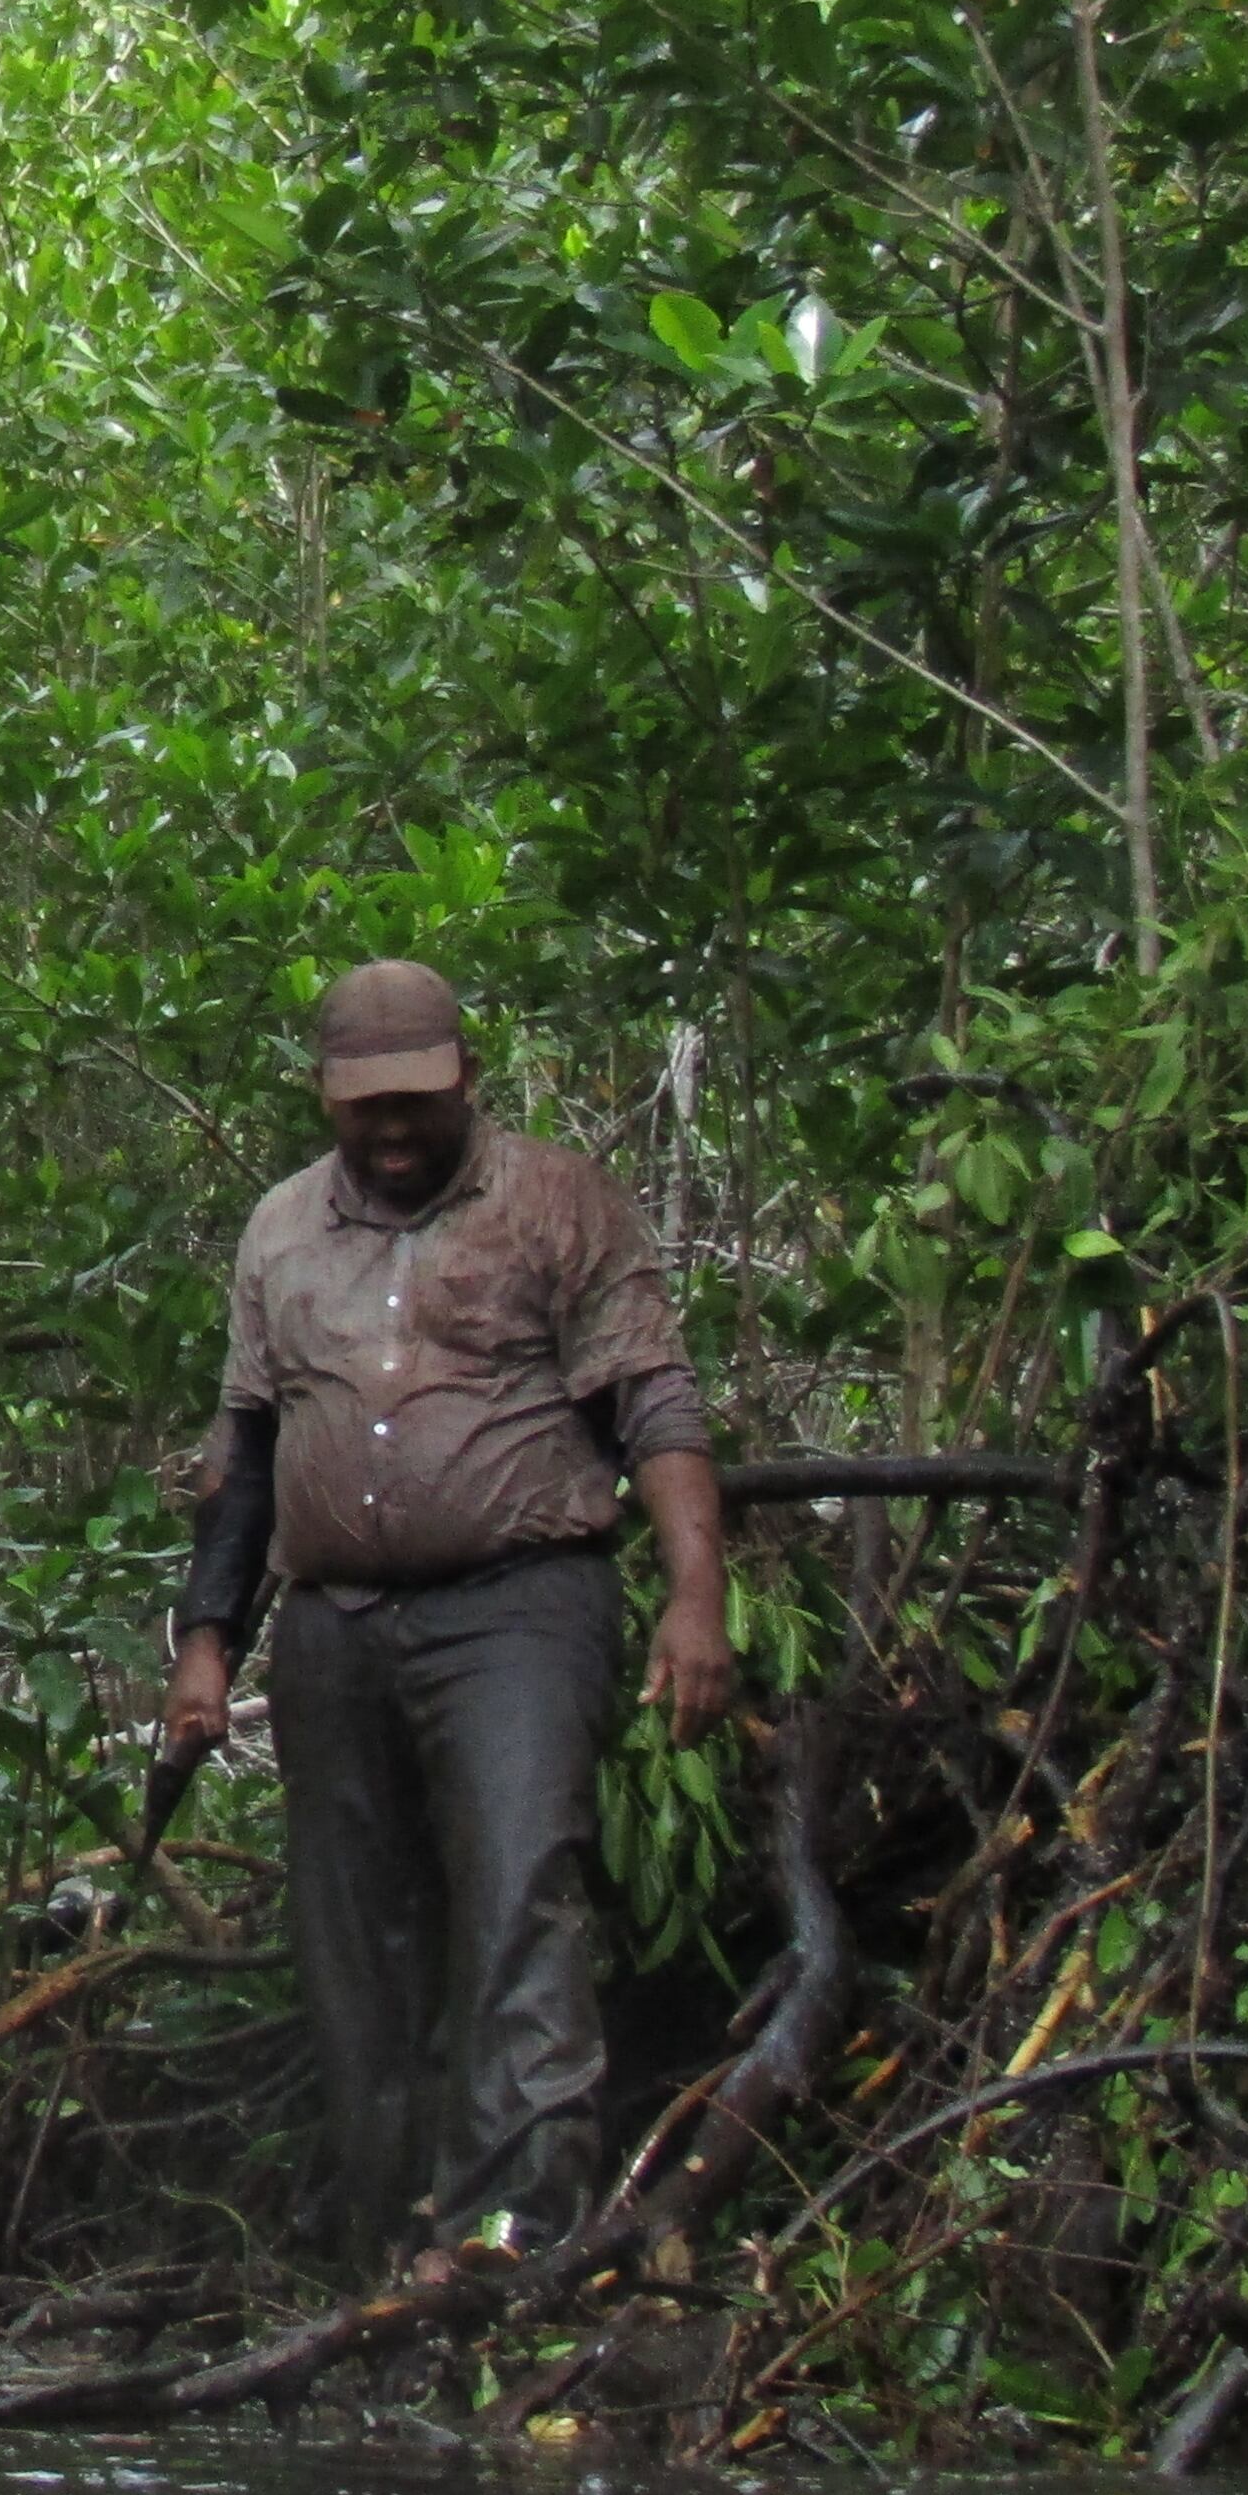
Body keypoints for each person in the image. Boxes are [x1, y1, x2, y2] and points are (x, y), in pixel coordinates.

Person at [163, 958, 734, 2265]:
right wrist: (206, 1643)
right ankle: (383, 2239)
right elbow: (244, 1450)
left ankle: (516, 2227)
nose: (397, 1126)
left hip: (519, 1604)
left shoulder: (556, 1205)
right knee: (353, 1935)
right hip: (334, 1626)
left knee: (518, 1887)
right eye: (369, 1105)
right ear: (326, 1098)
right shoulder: (281, 1231)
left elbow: (655, 1404)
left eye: (420, 1097)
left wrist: (695, 1599)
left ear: (468, 1076)